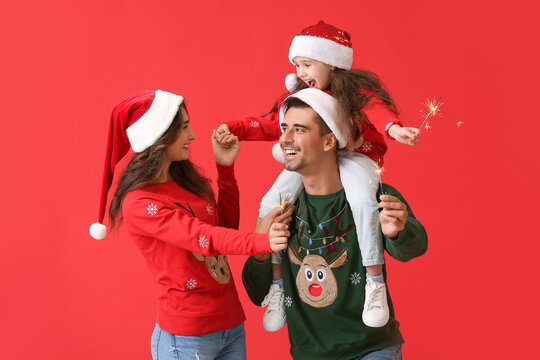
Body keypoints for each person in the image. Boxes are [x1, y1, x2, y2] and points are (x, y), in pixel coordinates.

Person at [217, 20, 421, 331]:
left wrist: (394, 129)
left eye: (307, 64)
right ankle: (277, 287)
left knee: (363, 202)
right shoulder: (302, 100)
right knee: (270, 203)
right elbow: (269, 122)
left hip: (357, 155)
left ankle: (374, 282)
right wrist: (234, 129)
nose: (299, 72)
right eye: (296, 65)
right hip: (307, 346)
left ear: (332, 63)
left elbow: (376, 110)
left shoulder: (355, 95)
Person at [88, 89, 293, 360]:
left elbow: (225, 230)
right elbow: (201, 237)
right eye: (184, 127)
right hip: (186, 335)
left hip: (230, 325)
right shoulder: (139, 203)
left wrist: (225, 169)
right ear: (160, 135)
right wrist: (261, 241)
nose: (192, 136)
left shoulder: (186, 181)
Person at [241, 89, 428, 359]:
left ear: (329, 141)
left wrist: (399, 231)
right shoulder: (280, 209)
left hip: (371, 349)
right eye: (284, 128)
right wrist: (258, 251)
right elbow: (258, 294)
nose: (285, 139)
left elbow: (415, 247)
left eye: (299, 129)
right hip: (308, 353)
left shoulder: (372, 195)